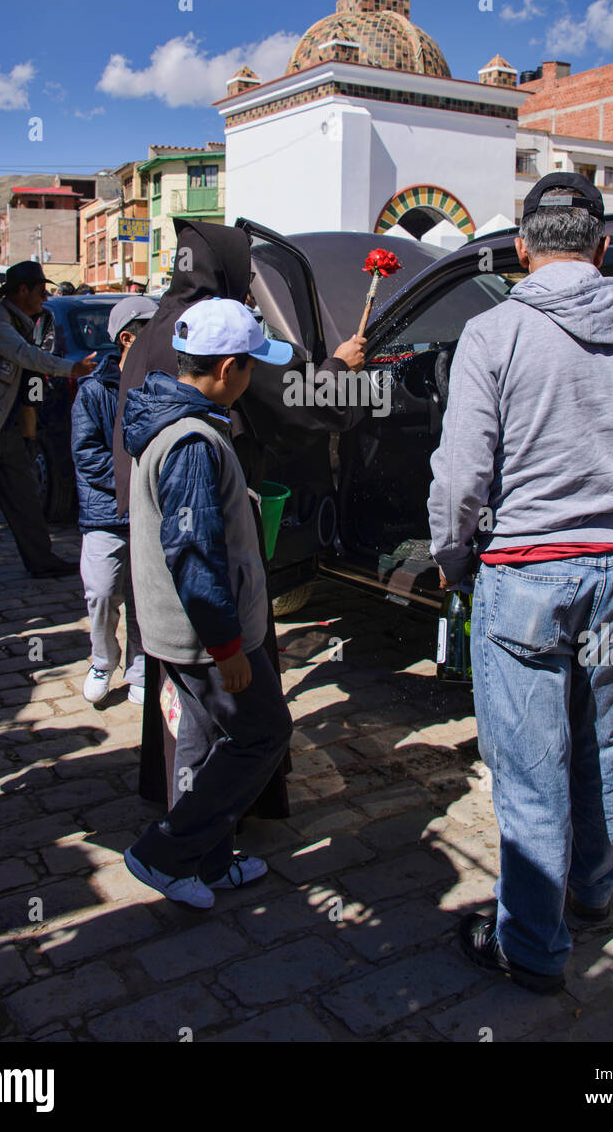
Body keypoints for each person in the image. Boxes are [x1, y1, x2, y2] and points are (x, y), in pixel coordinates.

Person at [427, 172, 613, 994]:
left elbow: (460, 476)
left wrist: (452, 559)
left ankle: (529, 944)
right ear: (602, 247)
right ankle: (592, 892)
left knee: (529, 768)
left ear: (521, 248)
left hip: (522, 573)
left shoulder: (493, 335)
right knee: (607, 743)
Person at [112, 219, 366, 818]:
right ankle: (208, 826)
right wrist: (340, 370)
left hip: (152, 544)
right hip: (212, 540)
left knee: (177, 688)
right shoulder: (222, 339)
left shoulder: (157, 328)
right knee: (233, 687)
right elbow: (302, 402)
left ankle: (175, 795)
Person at [122, 297, 294, 906]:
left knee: (199, 740)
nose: (252, 378)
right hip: (204, 632)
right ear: (226, 370)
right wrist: (227, 646)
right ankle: (165, 854)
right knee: (262, 733)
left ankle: (206, 859)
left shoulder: (169, 416)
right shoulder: (192, 440)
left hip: (179, 626)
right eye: (250, 366)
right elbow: (193, 551)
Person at [0, 260, 98, 589]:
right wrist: (72, 369)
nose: (45, 297)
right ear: (22, 290)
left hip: (5, 424)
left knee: (25, 496)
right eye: (41, 291)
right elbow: (27, 356)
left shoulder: (18, 320)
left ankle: (41, 560)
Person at [73, 295, 157, 707]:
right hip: (105, 514)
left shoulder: (160, 386)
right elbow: (87, 455)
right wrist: (130, 485)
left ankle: (141, 668)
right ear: (127, 338)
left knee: (145, 594)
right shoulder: (92, 391)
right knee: (103, 592)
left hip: (146, 514)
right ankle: (103, 659)